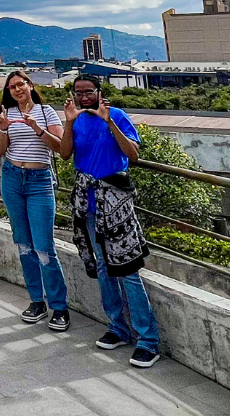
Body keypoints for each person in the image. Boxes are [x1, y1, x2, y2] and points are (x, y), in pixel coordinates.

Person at [59, 74, 160, 368]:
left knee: (128, 269)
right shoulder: (75, 120)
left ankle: (147, 339)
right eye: (79, 92)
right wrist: (67, 122)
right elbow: (65, 154)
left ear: (99, 92)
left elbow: (133, 154)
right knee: (103, 267)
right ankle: (117, 326)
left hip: (116, 203)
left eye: (88, 91)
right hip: (88, 204)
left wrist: (109, 122)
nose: (84, 96)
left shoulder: (115, 115)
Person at [0, 71, 70, 331]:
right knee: (24, 244)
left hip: (39, 180)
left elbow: (61, 147)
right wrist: (3, 128)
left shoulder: (46, 111)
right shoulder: (6, 112)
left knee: (44, 247)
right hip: (12, 178)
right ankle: (37, 301)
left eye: (20, 84)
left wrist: (37, 129)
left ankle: (59, 306)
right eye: (12, 86)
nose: (16, 90)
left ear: (30, 85)